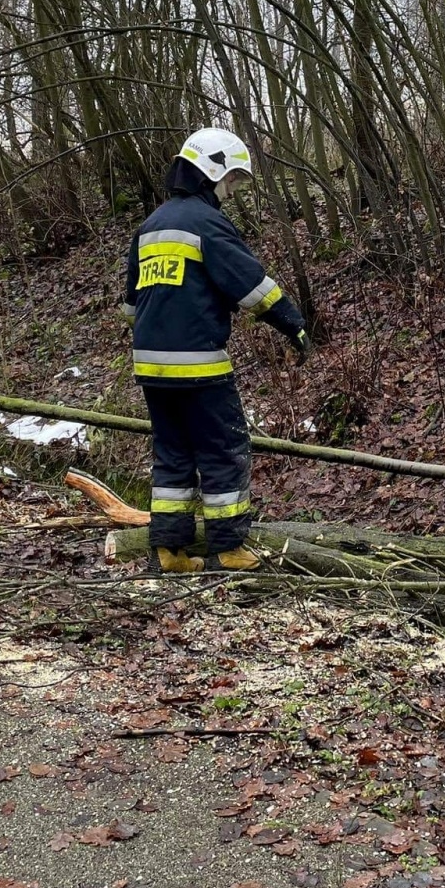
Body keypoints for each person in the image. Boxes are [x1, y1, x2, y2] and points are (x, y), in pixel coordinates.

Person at [124, 128, 309, 572]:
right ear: (212, 171)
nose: (232, 189)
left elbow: (131, 306)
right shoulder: (206, 223)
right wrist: (293, 324)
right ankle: (228, 548)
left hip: (150, 366)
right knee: (223, 449)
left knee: (172, 455)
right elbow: (250, 285)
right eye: (232, 179)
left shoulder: (150, 227)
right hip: (199, 364)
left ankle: (169, 552)